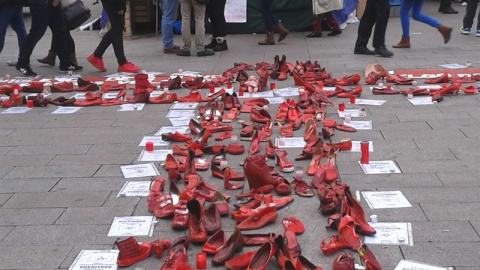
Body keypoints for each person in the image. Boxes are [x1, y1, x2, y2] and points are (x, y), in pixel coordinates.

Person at [16, 0, 81, 77]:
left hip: (50, 3)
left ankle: (65, 63)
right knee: (36, 32)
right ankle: (22, 63)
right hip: (42, 3)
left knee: (60, 30)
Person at [88, 0, 140, 72]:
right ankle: (122, 62)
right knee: (117, 30)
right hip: (114, 3)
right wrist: (119, 6)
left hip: (112, 3)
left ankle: (97, 55)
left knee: (116, 29)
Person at [37, 0, 81, 68]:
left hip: (58, 4)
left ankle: (71, 59)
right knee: (58, 30)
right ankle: (52, 55)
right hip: (57, 4)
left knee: (63, 31)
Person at [0, 0, 27, 66]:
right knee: (20, 29)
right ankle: (23, 58)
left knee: (1, 29)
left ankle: (23, 58)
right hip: (16, 2)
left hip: (5, 4)